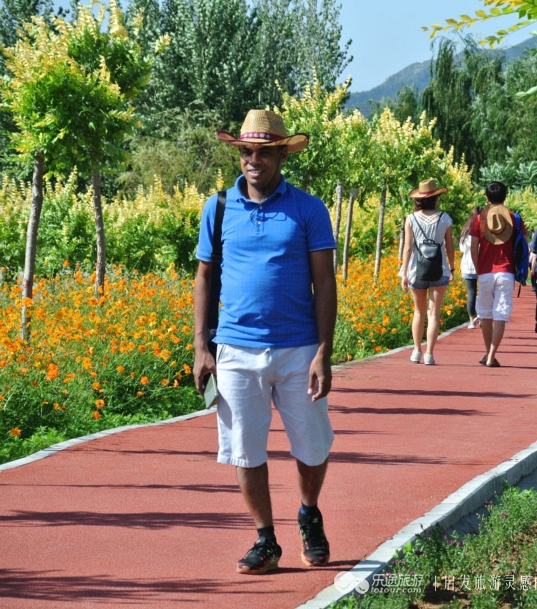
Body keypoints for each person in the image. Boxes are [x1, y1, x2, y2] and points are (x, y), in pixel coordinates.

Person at [193, 109, 337, 575]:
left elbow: (324, 282)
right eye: (246, 152)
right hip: (235, 349)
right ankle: (265, 538)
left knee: (312, 446)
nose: (254, 161)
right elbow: (204, 277)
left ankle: (308, 512)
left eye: (264, 153)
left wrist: (323, 352)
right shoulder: (217, 208)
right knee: (245, 448)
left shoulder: (309, 209)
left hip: (299, 348)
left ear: (281, 156)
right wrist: (201, 347)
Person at [470, 181, 526, 367]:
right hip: (506, 271)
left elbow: (473, 248)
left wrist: (478, 269)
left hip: (485, 271)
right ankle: (491, 356)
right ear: (505, 196)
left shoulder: (480, 219)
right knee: (501, 314)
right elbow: (523, 245)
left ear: (487, 198)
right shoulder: (514, 218)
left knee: (485, 314)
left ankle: (489, 354)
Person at [399, 179, 455, 365]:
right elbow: (450, 247)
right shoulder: (445, 219)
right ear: (436, 197)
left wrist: (404, 273)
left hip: (416, 269)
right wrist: (452, 268)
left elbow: (408, 248)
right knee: (434, 314)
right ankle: (429, 354)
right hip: (440, 269)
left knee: (418, 312)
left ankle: (416, 351)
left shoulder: (411, 219)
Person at [458, 206, 482, 329]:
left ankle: (471, 320)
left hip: (467, 265)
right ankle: (482, 317)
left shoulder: (465, 230)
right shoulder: (482, 229)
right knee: (483, 292)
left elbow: (462, 249)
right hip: (481, 264)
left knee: (471, 292)